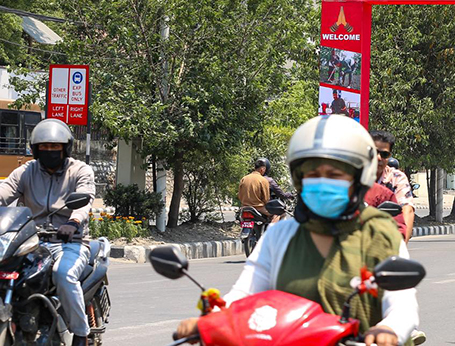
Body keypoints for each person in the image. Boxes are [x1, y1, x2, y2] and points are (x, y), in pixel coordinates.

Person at [175, 115, 417, 346]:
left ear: (359, 178)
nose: (322, 182)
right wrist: (212, 319)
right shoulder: (281, 235)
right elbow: (244, 293)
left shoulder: (380, 234)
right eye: (313, 174)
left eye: (334, 174)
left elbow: (403, 306)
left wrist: (389, 329)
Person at [0, 119, 96, 346]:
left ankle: (80, 334)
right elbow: (5, 191)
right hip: (30, 242)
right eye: (44, 146)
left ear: (65, 148)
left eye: (55, 146)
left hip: (70, 241)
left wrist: (73, 222)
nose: (49, 150)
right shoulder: (26, 171)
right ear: (35, 149)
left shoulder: (79, 170)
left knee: (63, 275)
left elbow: (85, 200)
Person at [370, 131, 415, 243]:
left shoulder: (396, 178)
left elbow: (407, 210)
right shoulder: (353, 176)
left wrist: (401, 247)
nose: (379, 158)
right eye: (374, 152)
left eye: (384, 154)